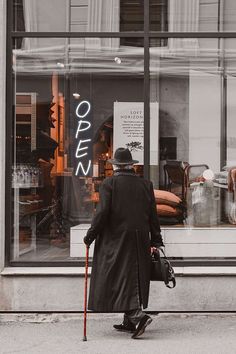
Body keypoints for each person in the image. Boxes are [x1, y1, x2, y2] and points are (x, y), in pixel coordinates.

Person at [83, 147, 164, 339]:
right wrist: (156, 239)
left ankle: (138, 317)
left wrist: (90, 235)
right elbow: (153, 215)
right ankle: (129, 321)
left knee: (115, 277)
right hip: (140, 238)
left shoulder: (109, 184)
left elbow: (102, 214)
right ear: (130, 165)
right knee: (132, 276)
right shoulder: (146, 184)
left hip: (116, 239)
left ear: (116, 166)